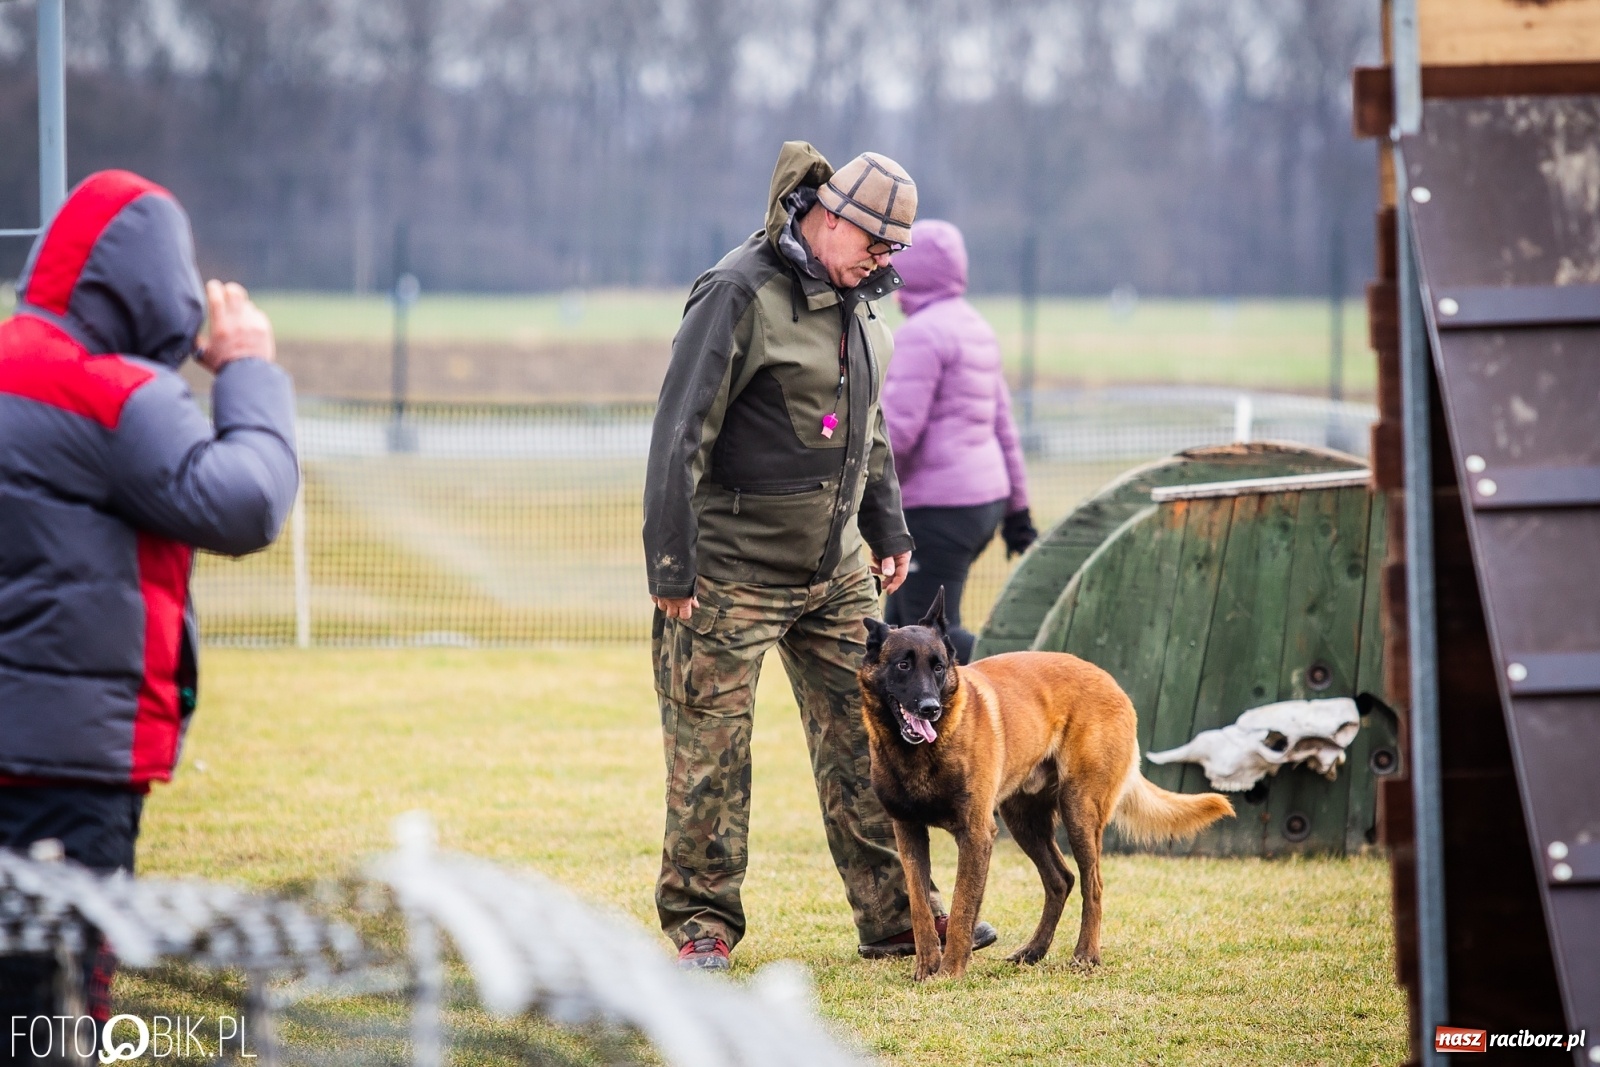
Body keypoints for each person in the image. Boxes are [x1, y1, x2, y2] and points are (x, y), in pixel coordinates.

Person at [643, 142, 997, 971]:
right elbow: (679, 431)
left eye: (894, 251)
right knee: (710, 753)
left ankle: (898, 916)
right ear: (831, 217)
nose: (883, 262)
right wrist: (671, 563)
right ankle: (703, 926)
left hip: (834, 572)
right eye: (875, 244)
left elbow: (868, 430)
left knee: (872, 740)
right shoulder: (738, 292)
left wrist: (890, 529)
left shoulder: (860, 302)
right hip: (728, 571)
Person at [0, 170, 299, 1037]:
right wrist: (247, 370)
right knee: (54, 1013)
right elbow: (247, 501)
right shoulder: (116, 395)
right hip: (70, 773)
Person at [881, 219, 1037, 663]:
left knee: (928, 639)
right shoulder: (975, 327)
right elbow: (1003, 426)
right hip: (982, 505)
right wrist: (1018, 511)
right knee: (900, 627)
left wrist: (859, 490)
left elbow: (896, 435)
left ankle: (1027, 670)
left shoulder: (920, 335)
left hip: (938, 511)